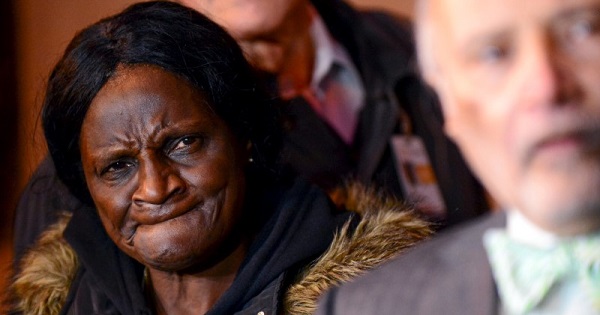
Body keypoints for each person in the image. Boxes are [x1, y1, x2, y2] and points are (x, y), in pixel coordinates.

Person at [9, 2, 431, 314]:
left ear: (243, 136)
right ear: (85, 184)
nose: (155, 188)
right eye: (117, 166)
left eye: (184, 143)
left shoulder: (372, 295)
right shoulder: (61, 299)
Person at [315, 0, 600, 314]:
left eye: (583, 30)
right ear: (445, 99)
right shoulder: (364, 308)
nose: (546, 86)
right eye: (493, 54)